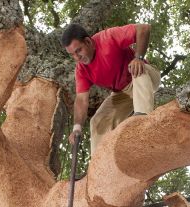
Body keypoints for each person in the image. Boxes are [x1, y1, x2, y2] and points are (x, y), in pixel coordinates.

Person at [61, 22, 160, 152]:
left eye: (78, 50)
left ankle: (141, 120)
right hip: (123, 93)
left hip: (144, 77)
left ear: (88, 42)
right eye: (72, 54)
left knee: (134, 67)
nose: (77, 57)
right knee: (97, 121)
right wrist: (77, 128)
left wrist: (139, 58)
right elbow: (81, 99)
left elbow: (144, 28)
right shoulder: (81, 70)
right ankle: (98, 164)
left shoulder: (108, 37)